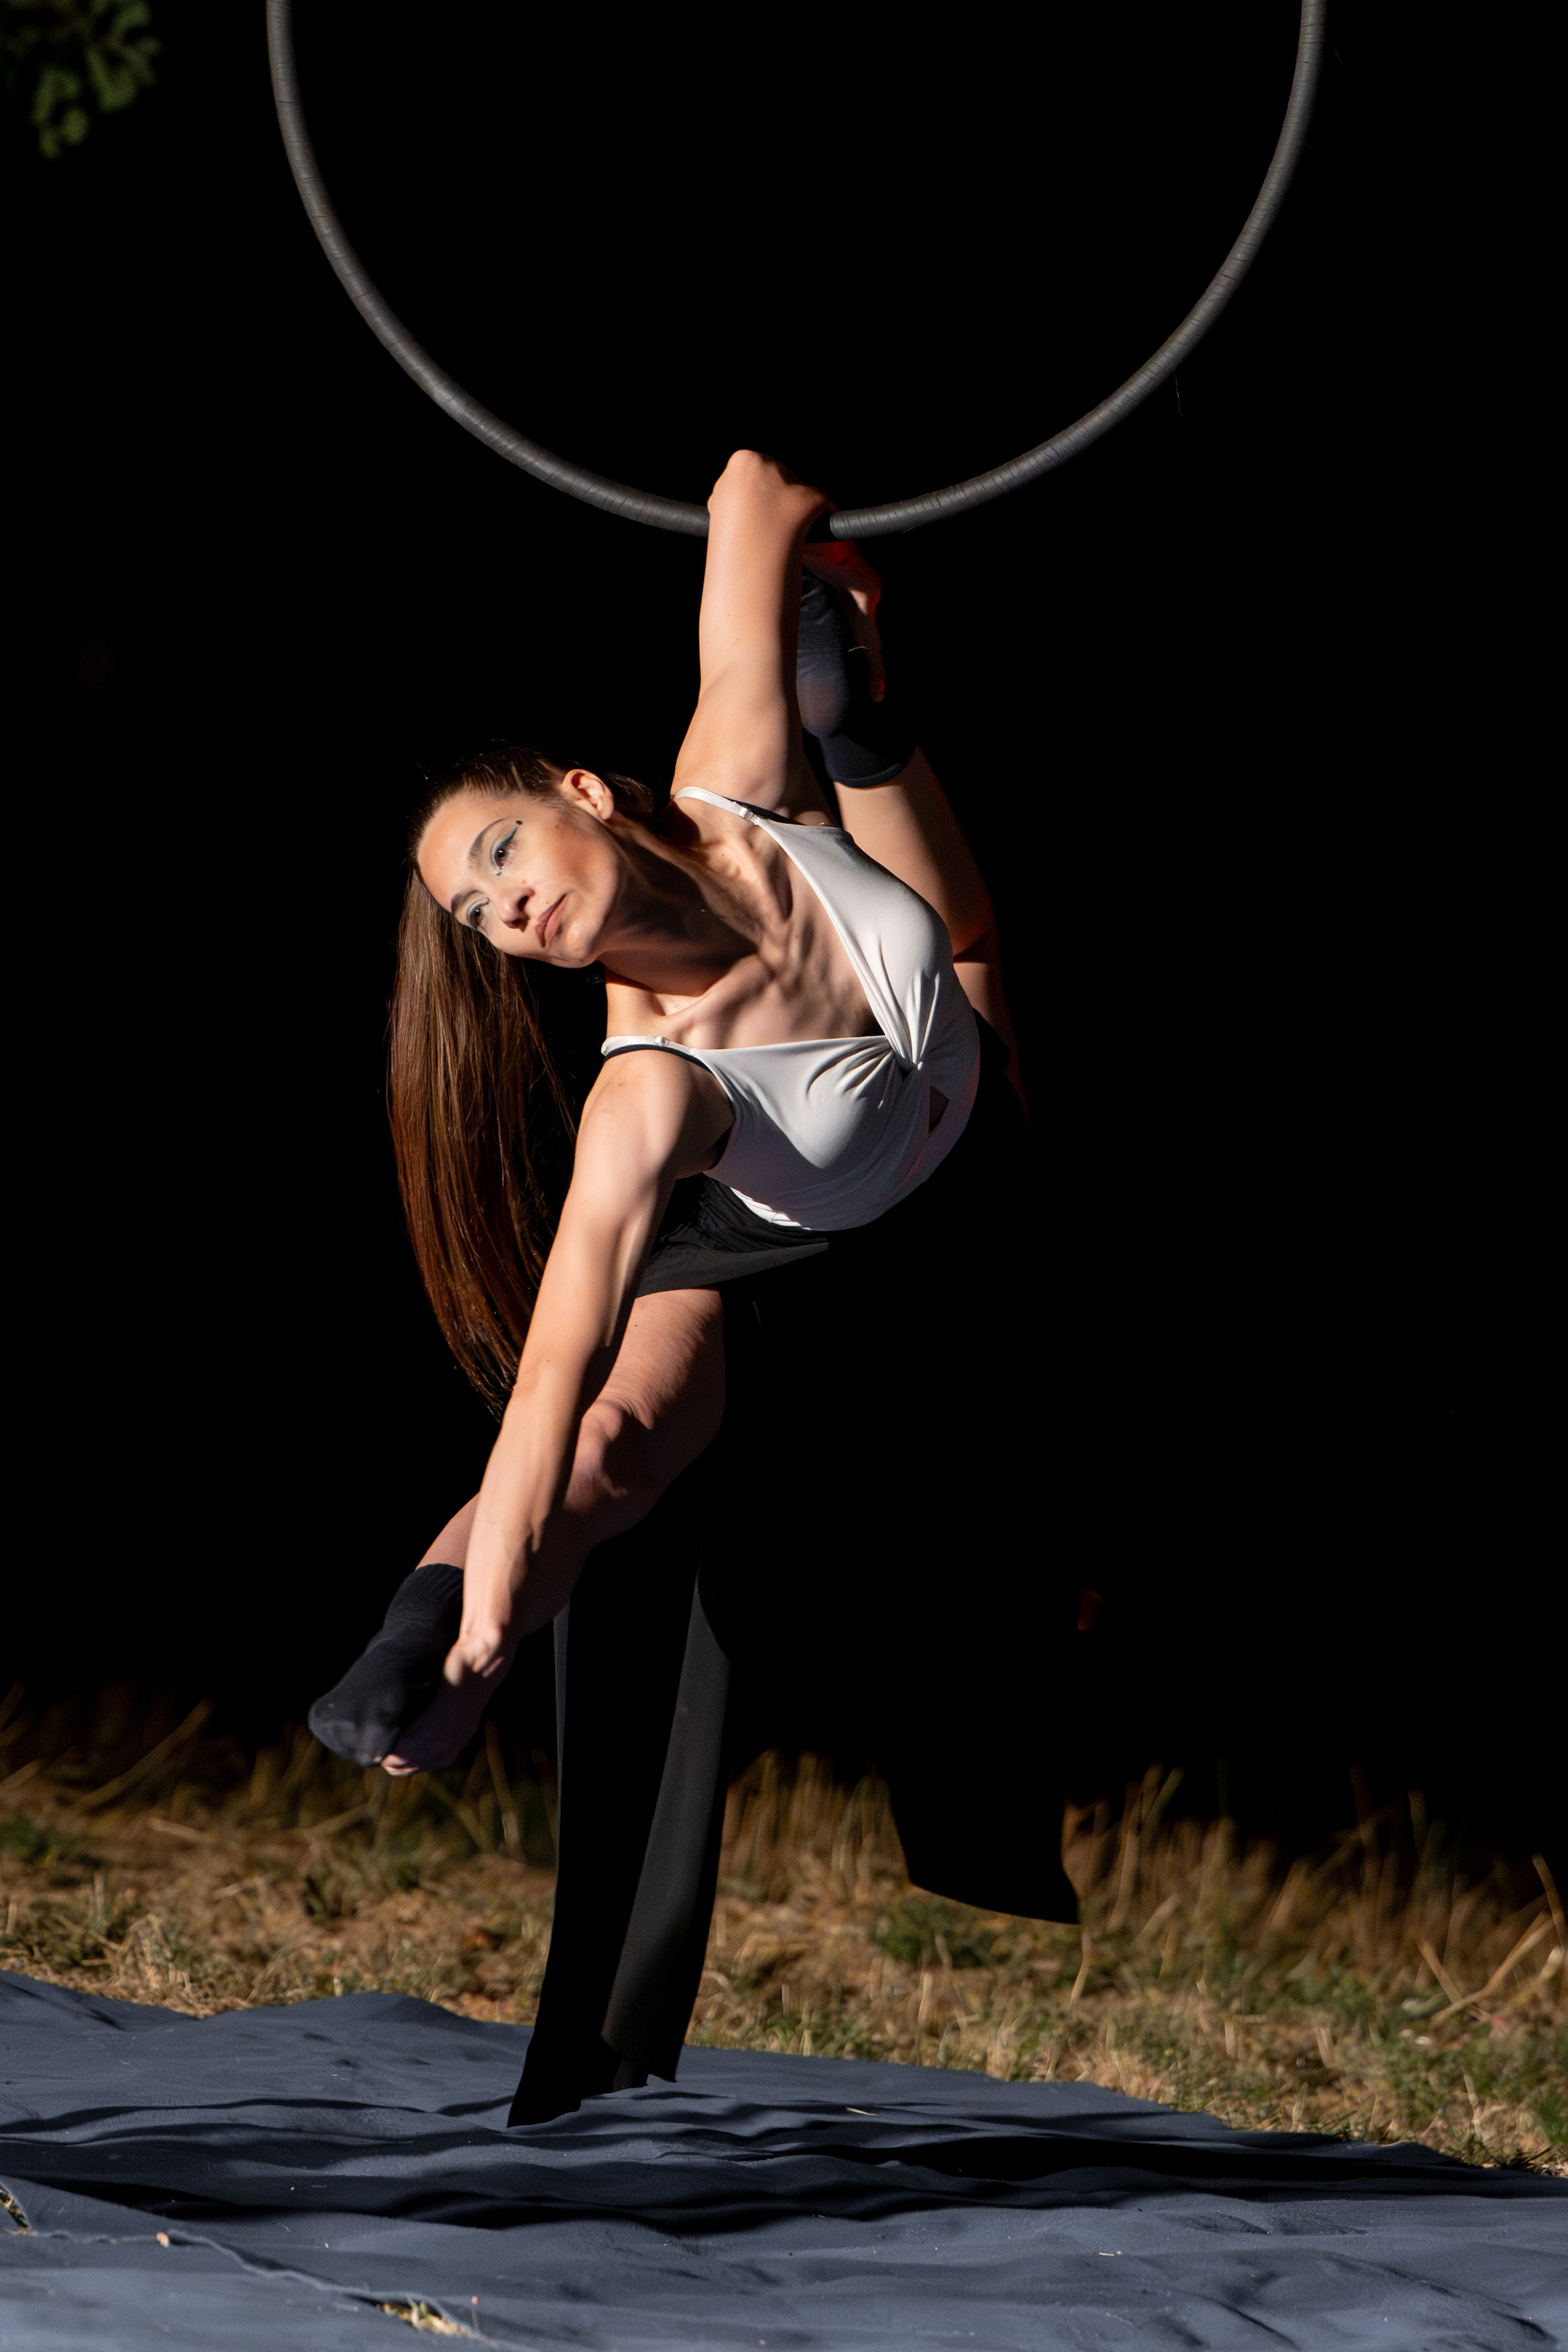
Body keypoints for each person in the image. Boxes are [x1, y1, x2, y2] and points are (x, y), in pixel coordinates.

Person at [311, 451, 1074, 2121]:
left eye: (501, 851)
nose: (506, 907)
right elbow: (553, 1370)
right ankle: (411, 1641)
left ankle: (855, 703)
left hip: (959, 1135)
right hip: (763, 1207)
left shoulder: (730, 769)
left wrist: (824, 563)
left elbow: (746, 481)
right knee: (615, 1443)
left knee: (955, 939)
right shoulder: (643, 1091)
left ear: (583, 791)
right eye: (479, 915)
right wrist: (489, 1628)